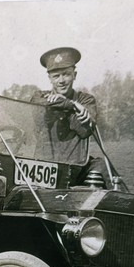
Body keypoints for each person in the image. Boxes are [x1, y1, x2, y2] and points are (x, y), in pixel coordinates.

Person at [30, 47, 110, 187]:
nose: (61, 80)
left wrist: (67, 104)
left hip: (74, 169)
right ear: (50, 79)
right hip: (42, 169)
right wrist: (71, 105)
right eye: (56, 76)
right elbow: (36, 106)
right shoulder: (39, 97)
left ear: (75, 75)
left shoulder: (86, 101)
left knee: (103, 168)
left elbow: (84, 130)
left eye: (66, 74)